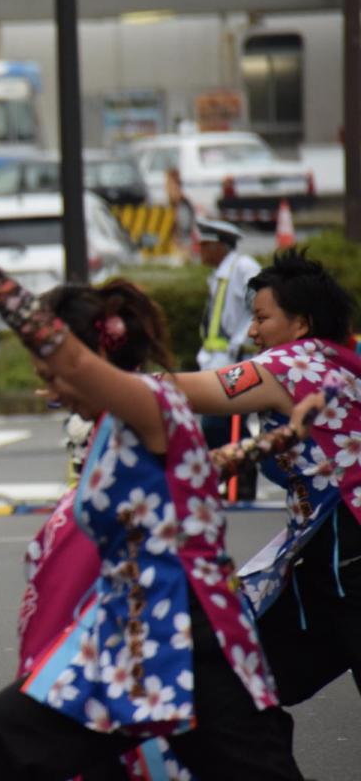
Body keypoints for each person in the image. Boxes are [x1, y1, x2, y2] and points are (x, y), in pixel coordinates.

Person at [0, 234, 302, 780]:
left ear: (92, 360)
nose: (52, 388)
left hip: (189, 635)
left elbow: (66, 355)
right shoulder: (121, 428)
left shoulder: (148, 403)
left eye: (56, 376)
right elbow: (205, 467)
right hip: (116, 644)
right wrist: (274, 441)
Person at [170, 249, 361, 714]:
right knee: (246, 675)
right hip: (323, 555)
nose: (251, 330)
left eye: (261, 318)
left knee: (242, 675)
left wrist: (94, 383)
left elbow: (187, 390)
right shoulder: (336, 358)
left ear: (300, 323)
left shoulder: (289, 363)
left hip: (349, 549)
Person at [195, 218, 262, 501]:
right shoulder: (221, 273)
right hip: (215, 361)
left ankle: (241, 478)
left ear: (220, 246)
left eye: (205, 246)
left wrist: (243, 341)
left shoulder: (244, 267)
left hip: (236, 361)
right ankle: (233, 477)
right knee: (218, 422)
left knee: (218, 422)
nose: (200, 252)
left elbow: (260, 305)